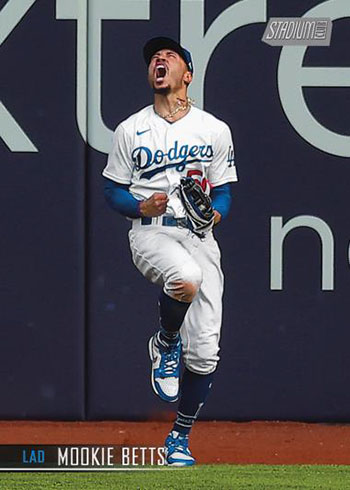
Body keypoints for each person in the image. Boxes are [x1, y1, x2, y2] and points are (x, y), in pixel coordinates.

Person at [103, 37, 238, 466]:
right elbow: (111, 189)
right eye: (153, 58)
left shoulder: (214, 129)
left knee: (205, 352)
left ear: (188, 75)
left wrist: (214, 216)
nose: (158, 60)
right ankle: (164, 342)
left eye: (169, 56)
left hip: (199, 238)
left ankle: (178, 439)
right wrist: (139, 205)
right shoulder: (130, 129)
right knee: (184, 278)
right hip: (151, 233)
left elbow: (225, 193)